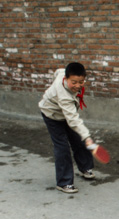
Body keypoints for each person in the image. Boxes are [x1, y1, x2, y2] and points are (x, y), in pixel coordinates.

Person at [39, 62, 96, 194]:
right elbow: (73, 119)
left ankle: (85, 168)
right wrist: (87, 137)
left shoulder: (61, 73)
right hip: (52, 115)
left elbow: (58, 71)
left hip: (65, 113)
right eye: (74, 82)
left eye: (81, 81)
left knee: (78, 139)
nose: (77, 85)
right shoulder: (64, 95)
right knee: (62, 146)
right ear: (66, 79)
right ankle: (64, 182)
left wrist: (83, 137)